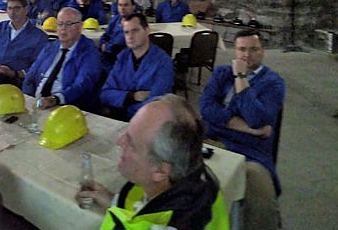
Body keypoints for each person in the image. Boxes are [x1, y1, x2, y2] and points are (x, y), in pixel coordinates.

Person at [78, 95, 230, 229]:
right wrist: (114, 201)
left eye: (131, 143)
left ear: (160, 171)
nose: (119, 141)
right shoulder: (197, 176)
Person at [200, 30, 284, 228]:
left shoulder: (273, 83)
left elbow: (256, 119)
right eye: (242, 49)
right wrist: (250, 128)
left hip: (250, 151)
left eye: (253, 49)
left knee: (256, 187)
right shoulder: (221, 73)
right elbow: (206, 109)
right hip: (212, 141)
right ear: (235, 51)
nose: (247, 55)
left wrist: (240, 77)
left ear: (263, 51)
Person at [22, 7, 103, 111]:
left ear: (80, 27)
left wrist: (56, 99)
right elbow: (31, 74)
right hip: (37, 102)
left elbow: (83, 84)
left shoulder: (89, 52)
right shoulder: (51, 46)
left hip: (64, 107)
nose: (63, 28)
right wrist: (29, 98)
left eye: (68, 24)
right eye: (60, 24)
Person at [99, 13, 174, 121]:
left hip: (148, 122)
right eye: (126, 32)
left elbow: (155, 103)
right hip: (119, 118)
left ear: (147, 30)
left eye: (135, 31)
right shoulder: (122, 57)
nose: (130, 36)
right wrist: (131, 96)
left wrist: (120, 98)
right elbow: (105, 93)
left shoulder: (163, 62)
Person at [100, 0, 136, 69]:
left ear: (133, 7)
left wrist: (106, 47)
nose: (122, 8)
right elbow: (105, 35)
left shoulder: (136, 23)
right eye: (120, 5)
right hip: (106, 57)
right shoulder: (115, 19)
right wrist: (103, 43)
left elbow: (119, 43)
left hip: (123, 61)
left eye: (126, 5)